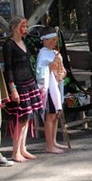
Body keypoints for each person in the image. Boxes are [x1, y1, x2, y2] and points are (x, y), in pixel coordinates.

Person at [2, 16, 45, 160]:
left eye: (26, 26)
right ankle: (15, 152)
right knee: (21, 118)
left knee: (28, 117)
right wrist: (12, 88)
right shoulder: (9, 44)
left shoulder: (24, 42)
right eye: (23, 26)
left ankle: (23, 148)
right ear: (14, 27)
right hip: (18, 84)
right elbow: (8, 68)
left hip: (29, 82)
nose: (25, 29)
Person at [35, 26, 69, 153]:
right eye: (51, 40)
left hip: (57, 87)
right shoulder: (43, 54)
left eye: (55, 39)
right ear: (44, 40)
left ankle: (54, 141)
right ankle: (49, 145)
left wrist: (62, 74)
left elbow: (62, 70)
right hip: (49, 89)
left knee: (55, 115)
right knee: (50, 115)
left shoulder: (55, 53)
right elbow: (41, 72)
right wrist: (55, 61)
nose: (54, 42)